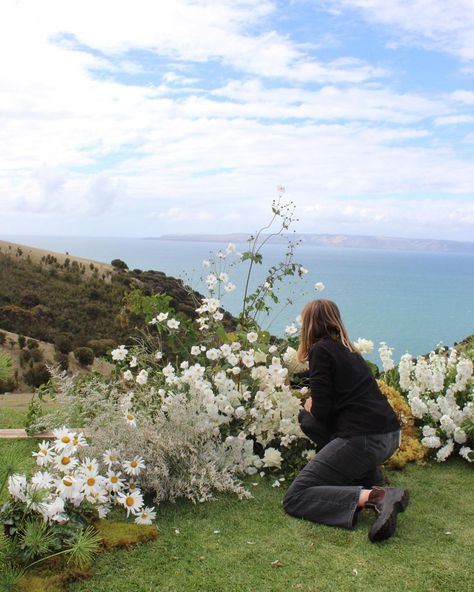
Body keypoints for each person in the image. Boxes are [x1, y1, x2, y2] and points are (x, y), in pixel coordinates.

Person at [283, 299, 409, 542]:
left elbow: (322, 412)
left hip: (364, 439)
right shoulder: (350, 352)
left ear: (309, 325)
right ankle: (369, 479)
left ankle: (379, 497)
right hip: (390, 436)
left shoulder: (321, 350)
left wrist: (309, 406)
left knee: (296, 496)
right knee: (314, 422)